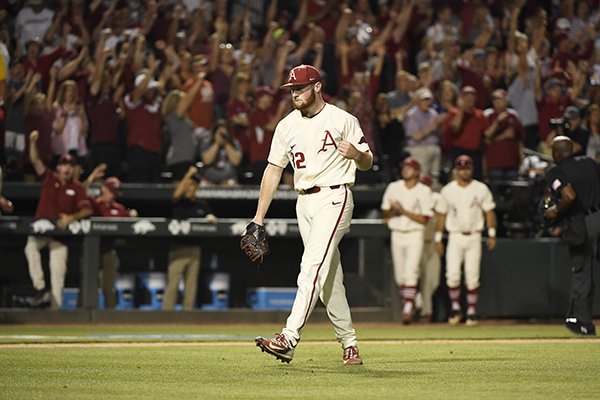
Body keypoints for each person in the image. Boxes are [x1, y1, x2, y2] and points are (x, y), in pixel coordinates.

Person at [253, 64, 372, 365]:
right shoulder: (286, 125)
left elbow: (368, 161)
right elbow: (273, 171)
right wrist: (258, 218)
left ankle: (289, 337)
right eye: (292, 89)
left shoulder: (341, 119)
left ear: (317, 87)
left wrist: (357, 155)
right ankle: (350, 344)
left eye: (301, 88)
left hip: (335, 195)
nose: (295, 93)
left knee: (311, 267)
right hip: (303, 202)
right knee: (328, 277)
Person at [24, 130, 93, 309]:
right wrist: (32, 143)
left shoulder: (77, 188)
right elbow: (35, 161)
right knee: (30, 247)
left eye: (70, 165)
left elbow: (87, 209)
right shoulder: (49, 178)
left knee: (58, 275)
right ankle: (40, 289)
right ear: (58, 167)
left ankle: (55, 315)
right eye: (64, 165)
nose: (67, 168)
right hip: (43, 228)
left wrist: (72, 217)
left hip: (60, 234)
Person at [543, 136, 599, 336]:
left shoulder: (555, 171)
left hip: (583, 224)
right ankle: (578, 318)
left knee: (582, 272)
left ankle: (582, 322)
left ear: (556, 153)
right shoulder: (589, 162)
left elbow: (569, 195)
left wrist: (555, 212)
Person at [434, 155, 497, 326]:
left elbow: (489, 212)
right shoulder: (448, 190)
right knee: (452, 275)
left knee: (472, 276)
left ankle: (471, 311)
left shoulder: (481, 188)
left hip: (475, 235)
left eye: (467, 168)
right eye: (461, 168)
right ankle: (455, 308)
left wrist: (491, 233)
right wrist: (438, 238)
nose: (464, 171)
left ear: (472, 169)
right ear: (456, 169)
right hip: (455, 235)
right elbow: (441, 214)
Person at [380, 157, 433, 324]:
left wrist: (403, 211)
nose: (406, 170)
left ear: (417, 171)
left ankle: (408, 309)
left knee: (411, 272)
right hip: (397, 232)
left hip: (415, 234)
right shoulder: (393, 187)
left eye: (410, 167)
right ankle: (412, 299)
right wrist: (393, 211)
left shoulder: (424, 190)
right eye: (405, 167)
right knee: (400, 277)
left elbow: (425, 219)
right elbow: (385, 215)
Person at [163, 166, 217, 311]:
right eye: (187, 185)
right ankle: (166, 316)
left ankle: (187, 317)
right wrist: (189, 174)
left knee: (190, 285)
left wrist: (210, 218)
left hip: (194, 249)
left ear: (197, 187)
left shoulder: (202, 204)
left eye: (192, 185)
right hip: (178, 248)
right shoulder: (179, 201)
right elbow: (176, 194)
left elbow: (210, 216)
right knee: (173, 284)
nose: (188, 188)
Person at [84, 166, 137, 309]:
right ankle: (81, 316)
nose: (112, 195)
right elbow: (80, 193)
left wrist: (132, 215)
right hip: (92, 250)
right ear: (103, 188)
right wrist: (91, 178)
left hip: (108, 250)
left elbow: (130, 220)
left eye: (115, 192)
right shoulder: (95, 204)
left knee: (108, 287)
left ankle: (110, 316)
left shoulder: (119, 208)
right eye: (110, 191)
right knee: (87, 285)